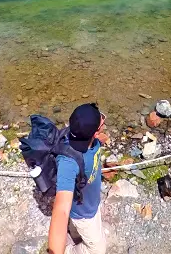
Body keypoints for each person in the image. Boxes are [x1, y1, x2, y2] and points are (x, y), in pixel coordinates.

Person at [48, 103, 109, 254]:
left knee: (75, 231)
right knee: (98, 250)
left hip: (88, 201)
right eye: (101, 120)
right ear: (95, 133)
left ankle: (75, 233)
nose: (103, 119)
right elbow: (61, 211)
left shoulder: (80, 134)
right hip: (84, 214)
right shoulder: (68, 163)